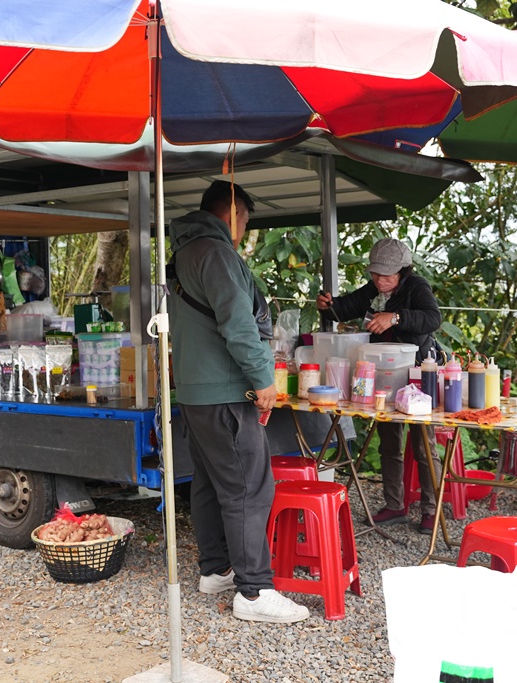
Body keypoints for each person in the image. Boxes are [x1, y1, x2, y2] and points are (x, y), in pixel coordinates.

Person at [168, 180, 309, 623]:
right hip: (226, 391)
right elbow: (239, 324)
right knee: (249, 487)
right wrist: (263, 379)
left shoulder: (184, 252)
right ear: (232, 211)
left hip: (195, 391)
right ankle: (254, 592)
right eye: (247, 219)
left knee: (211, 482)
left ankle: (217, 569)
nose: (247, 228)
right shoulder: (216, 252)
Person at [316, 238, 443, 533]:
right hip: (383, 376)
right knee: (389, 443)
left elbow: (432, 318)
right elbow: (343, 309)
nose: (379, 280)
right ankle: (394, 504)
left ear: (403, 272)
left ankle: (431, 509)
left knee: (424, 446)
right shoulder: (374, 290)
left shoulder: (417, 287)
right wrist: (327, 305)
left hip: (416, 375)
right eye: (375, 274)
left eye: (386, 275)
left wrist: (395, 318)